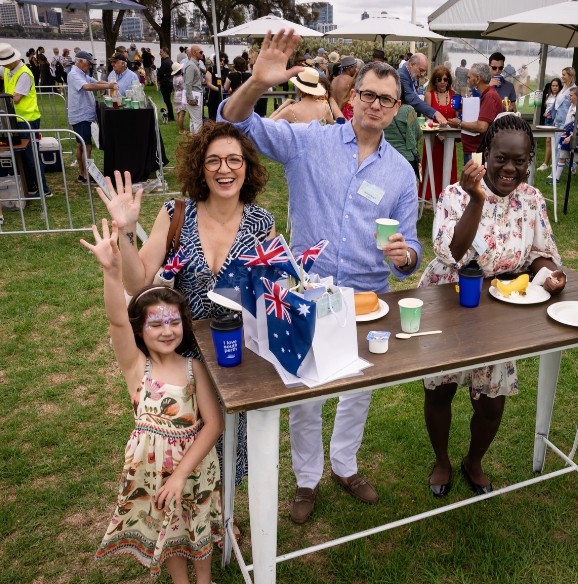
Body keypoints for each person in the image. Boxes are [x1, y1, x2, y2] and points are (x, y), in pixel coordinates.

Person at [218, 30, 422, 525]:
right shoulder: (308, 142)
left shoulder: (401, 173)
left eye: (386, 99)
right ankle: (307, 478)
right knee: (303, 389)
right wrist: (256, 83)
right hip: (305, 291)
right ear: (351, 99)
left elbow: (412, 251)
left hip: (368, 299)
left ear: (396, 108)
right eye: (368, 95)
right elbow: (232, 121)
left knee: (358, 388)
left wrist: (404, 257)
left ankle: (345, 465)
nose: (376, 105)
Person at [97, 124, 277, 545]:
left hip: (238, 351)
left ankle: (223, 512)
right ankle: (182, 516)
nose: (224, 169)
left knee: (235, 440)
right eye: (213, 160)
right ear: (201, 166)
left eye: (234, 159)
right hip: (183, 352)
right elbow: (139, 282)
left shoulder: (262, 221)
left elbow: (270, 288)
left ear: (247, 168)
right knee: (185, 439)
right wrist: (126, 231)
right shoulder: (176, 213)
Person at [421, 115, 565, 497]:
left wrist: (549, 273)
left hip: (500, 312)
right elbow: (452, 252)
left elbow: (539, 252)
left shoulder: (531, 199)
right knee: (441, 391)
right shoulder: (455, 194)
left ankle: (473, 461)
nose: (510, 169)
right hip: (449, 300)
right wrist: (477, 200)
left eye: (520, 161)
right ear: (486, 153)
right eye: (502, 158)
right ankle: (441, 461)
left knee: (491, 403)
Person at [86, 221, 223, 581]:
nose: (166, 331)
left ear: (184, 324)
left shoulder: (195, 366)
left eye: (173, 322)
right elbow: (116, 320)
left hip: (194, 473)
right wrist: (111, 273)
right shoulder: (135, 367)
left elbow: (214, 424)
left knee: (197, 527)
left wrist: (180, 476)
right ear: (140, 330)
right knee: (170, 530)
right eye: (156, 324)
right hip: (151, 471)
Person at [0, 43, 51, 198]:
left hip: (27, 119)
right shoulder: (8, 69)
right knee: (22, 155)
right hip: (15, 118)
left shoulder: (24, 74)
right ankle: (30, 186)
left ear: (13, 60)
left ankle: (43, 189)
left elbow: (16, 98)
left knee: (31, 155)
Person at [67, 51, 118, 185]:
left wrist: (109, 83)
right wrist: (109, 86)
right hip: (81, 115)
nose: (90, 67)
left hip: (83, 114)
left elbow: (95, 82)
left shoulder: (82, 74)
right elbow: (87, 86)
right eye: (89, 64)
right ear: (81, 62)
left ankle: (82, 173)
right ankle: (86, 175)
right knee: (86, 146)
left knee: (81, 145)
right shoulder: (74, 75)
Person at [446, 63, 502, 165]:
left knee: (475, 180)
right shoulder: (486, 95)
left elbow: (482, 127)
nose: (467, 80)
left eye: (469, 77)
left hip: (477, 151)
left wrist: (459, 124)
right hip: (474, 149)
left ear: (477, 78)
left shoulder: (490, 96)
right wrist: (463, 109)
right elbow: (481, 115)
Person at [420, 65, 458, 201]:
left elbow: (458, 115)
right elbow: (426, 117)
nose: (442, 82)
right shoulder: (429, 95)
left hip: (450, 136)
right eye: (439, 79)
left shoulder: (454, 95)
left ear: (449, 81)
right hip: (433, 136)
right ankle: (429, 197)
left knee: (448, 166)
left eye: (445, 79)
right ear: (434, 81)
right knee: (432, 167)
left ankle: (449, 197)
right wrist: (437, 133)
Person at [548, 86, 578, 185]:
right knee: (562, 156)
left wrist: (571, 137)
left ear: (577, 96)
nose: (569, 97)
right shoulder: (571, 107)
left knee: (577, 159)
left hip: (576, 138)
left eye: (571, 95)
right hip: (566, 135)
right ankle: (557, 179)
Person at [270, 67, 337, 125]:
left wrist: (281, 107)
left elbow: (268, 124)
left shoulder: (291, 110)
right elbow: (331, 130)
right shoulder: (325, 109)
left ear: (299, 90)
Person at [399, 53, 448, 125]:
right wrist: (435, 113)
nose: (422, 74)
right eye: (421, 70)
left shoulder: (411, 75)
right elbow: (411, 99)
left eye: (424, 71)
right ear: (412, 65)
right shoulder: (402, 76)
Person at [383, 103, 423, 178]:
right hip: (406, 157)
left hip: (384, 156)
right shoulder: (407, 110)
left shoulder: (380, 108)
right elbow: (418, 133)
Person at [537, 77, 563, 172]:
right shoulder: (548, 95)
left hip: (554, 120)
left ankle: (548, 163)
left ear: (559, 87)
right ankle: (548, 163)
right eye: (553, 85)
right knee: (548, 141)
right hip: (547, 119)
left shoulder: (560, 96)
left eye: (556, 86)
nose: (554, 87)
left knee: (554, 141)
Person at [184, 45, 205, 134]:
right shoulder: (191, 66)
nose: (202, 54)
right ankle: (197, 142)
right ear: (193, 53)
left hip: (196, 94)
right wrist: (191, 98)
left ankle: (193, 140)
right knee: (197, 122)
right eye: (200, 52)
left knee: (194, 121)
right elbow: (188, 83)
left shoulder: (195, 65)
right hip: (194, 95)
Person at [331, 55, 358, 120]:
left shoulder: (334, 80)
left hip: (334, 116)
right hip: (345, 117)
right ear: (350, 68)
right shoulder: (351, 80)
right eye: (355, 67)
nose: (355, 69)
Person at [206, 53, 229, 121]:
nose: (222, 62)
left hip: (224, 97)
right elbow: (209, 83)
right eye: (220, 60)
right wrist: (218, 89)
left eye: (224, 61)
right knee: (213, 117)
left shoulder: (227, 71)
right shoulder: (211, 69)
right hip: (213, 96)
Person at [157, 47, 175, 121]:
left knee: (167, 100)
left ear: (165, 52)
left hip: (165, 82)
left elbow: (160, 72)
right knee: (167, 100)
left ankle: (171, 115)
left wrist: (159, 77)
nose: (160, 53)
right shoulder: (170, 61)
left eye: (161, 52)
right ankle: (170, 114)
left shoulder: (165, 62)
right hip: (170, 81)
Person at [172, 62, 187, 134]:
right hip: (181, 95)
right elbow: (184, 87)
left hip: (176, 95)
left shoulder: (174, 78)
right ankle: (181, 129)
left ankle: (180, 128)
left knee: (178, 112)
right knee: (182, 113)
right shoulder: (180, 78)